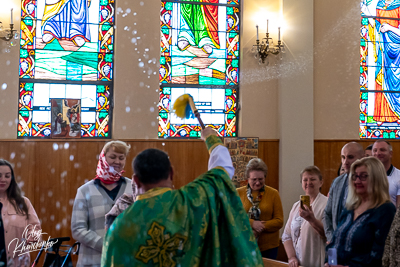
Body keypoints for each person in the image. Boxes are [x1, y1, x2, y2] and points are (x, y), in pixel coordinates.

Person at [101, 128, 263, 266]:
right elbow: (221, 172)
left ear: (135, 180)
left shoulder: (120, 226)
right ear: (171, 173)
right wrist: (211, 138)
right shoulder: (193, 200)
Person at [325, 157, 396, 267]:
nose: (357, 181)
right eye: (354, 176)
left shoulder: (386, 210)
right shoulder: (350, 207)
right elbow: (335, 242)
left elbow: (380, 253)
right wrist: (330, 263)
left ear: (376, 178)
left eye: (363, 176)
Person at [71, 140, 133, 267]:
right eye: (113, 157)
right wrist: (106, 244)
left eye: (121, 158)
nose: (117, 161)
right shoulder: (85, 191)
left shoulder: (134, 188)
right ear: (103, 157)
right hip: (92, 261)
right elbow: (78, 229)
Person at [361, 0, 400, 124]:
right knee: (382, 80)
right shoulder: (380, 4)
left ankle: (397, 114)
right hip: (383, 50)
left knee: (397, 82)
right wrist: (366, 12)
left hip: (397, 52)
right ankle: (382, 116)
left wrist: (389, 28)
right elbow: (376, 26)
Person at [236, 158, 283, 259]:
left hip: (269, 248)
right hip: (243, 245)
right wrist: (253, 223)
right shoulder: (237, 193)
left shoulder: (273, 193)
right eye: (254, 179)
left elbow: (279, 221)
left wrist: (260, 227)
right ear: (247, 179)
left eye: (261, 179)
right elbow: (233, 218)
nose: (257, 183)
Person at [282, 166, 328, 267]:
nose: (308, 182)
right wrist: (292, 257)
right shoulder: (296, 205)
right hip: (298, 263)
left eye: (313, 179)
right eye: (305, 180)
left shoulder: (327, 204)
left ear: (321, 182)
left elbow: (329, 234)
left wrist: (312, 220)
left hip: (316, 261)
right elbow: (286, 236)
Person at [0, 159, 41, 267]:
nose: (3, 179)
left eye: (7, 176)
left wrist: (33, 236)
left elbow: (35, 227)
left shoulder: (23, 202)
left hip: (18, 262)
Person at [323, 142, 364, 243]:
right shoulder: (337, 182)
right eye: (343, 157)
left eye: (350, 157)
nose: (345, 162)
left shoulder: (368, 183)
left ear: (362, 158)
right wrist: (331, 238)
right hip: (336, 243)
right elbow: (327, 214)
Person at [372, 140, 400, 207]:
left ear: (390, 154)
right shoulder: (366, 175)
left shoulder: (398, 176)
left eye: (382, 150)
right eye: (375, 150)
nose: (378, 153)